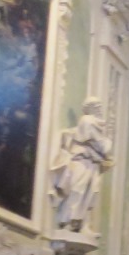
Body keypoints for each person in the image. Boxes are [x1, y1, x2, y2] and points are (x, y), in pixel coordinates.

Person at [50, 98, 114, 232]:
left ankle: (82, 225)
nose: (99, 109)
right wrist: (108, 144)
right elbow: (100, 144)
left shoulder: (97, 125)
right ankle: (67, 222)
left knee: (90, 193)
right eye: (96, 106)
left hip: (93, 163)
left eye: (100, 106)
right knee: (77, 190)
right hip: (82, 161)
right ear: (89, 108)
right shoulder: (87, 120)